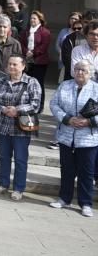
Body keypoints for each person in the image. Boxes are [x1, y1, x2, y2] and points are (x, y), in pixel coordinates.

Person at [49, 60, 98, 217]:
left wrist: (89, 121)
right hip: (66, 136)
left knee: (86, 172)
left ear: (91, 73)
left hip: (88, 139)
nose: (80, 72)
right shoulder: (65, 85)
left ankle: (86, 203)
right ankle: (64, 198)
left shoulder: (96, 89)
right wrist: (67, 119)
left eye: (83, 70)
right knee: (67, 170)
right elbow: (54, 104)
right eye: (77, 69)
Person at [0, 55, 42, 201]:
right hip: (3, 125)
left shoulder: (32, 82)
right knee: (4, 157)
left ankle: (19, 188)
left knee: (20, 159)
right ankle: (3, 184)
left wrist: (17, 110)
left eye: (15, 64)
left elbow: (36, 104)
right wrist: (2, 109)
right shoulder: (1, 81)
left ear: (23, 66)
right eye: (9, 64)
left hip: (22, 127)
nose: (11, 67)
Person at [20, 10, 51, 102]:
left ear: (40, 20)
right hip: (27, 60)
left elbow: (44, 46)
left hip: (39, 61)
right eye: (31, 18)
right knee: (26, 82)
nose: (32, 20)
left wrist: (33, 52)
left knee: (38, 83)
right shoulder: (26, 31)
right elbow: (21, 43)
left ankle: (39, 103)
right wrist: (26, 52)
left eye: (34, 18)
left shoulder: (45, 32)